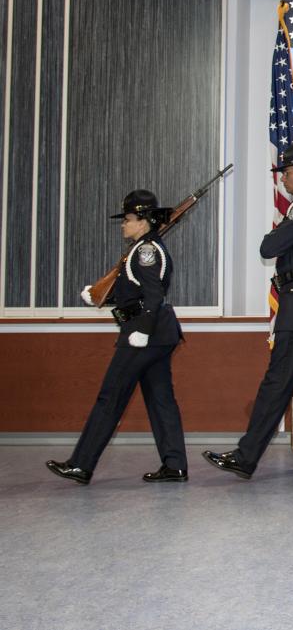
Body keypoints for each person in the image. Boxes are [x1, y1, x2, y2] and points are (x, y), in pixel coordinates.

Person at [203, 143, 293, 479]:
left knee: (277, 381)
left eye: (286, 172)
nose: (283, 178)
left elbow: (269, 246)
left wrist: (279, 234)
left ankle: (246, 455)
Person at [47, 191, 187, 485]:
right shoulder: (141, 248)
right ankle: (174, 465)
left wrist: (142, 331)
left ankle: (81, 464)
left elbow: (153, 295)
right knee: (161, 398)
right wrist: (102, 297)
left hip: (144, 334)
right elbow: (133, 295)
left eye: (128, 219)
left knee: (110, 397)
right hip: (155, 334)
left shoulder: (146, 251)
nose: (123, 224)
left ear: (145, 221)